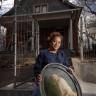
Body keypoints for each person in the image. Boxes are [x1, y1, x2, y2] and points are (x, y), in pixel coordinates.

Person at [32, 32, 73, 96]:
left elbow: (67, 66)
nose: (57, 44)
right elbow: (37, 67)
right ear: (50, 42)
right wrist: (38, 75)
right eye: (54, 41)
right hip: (45, 80)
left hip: (59, 80)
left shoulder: (62, 54)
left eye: (59, 42)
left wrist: (70, 69)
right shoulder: (43, 53)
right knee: (38, 92)